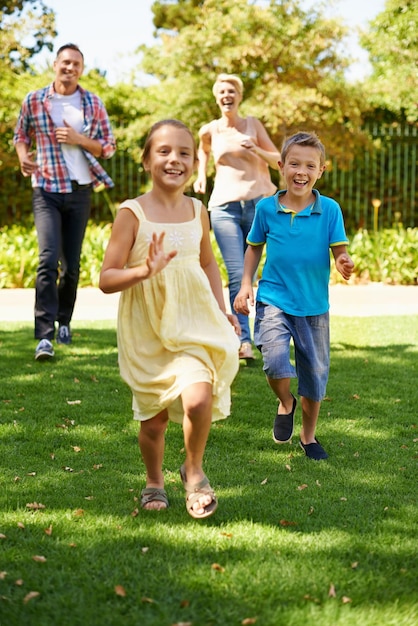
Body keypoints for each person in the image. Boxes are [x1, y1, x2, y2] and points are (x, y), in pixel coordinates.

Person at [99, 119, 240, 518]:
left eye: (184, 152)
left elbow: (209, 264)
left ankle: (193, 470)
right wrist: (143, 271)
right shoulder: (132, 213)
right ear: (146, 161)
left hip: (194, 321)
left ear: (195, 164)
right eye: (163, 151)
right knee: (155, 421)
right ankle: (154, 480)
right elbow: (106, 278)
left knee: (199, 399)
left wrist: (222, 309)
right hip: (148, 328)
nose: (174, 159)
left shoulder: (198, 210)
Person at [234, 131, 354, 460]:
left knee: (314, 377)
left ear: (321, 171)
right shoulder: (266, 209)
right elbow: (253, 249)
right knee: (274, 362)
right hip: (275, 298)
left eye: (309, 166)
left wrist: (343, 261)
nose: (301, 171)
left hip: (314, 306)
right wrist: (246, 284)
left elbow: (339, 251)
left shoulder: (329, 210)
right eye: (294, 164)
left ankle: (309, 436)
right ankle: (286, 402)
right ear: (281, 166)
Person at [14, 43, 116, 361]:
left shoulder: (91, 103)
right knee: (47, 260)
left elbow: (108, 147)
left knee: (71, 266)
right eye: (65, 62)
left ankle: (64, 322)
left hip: (79, 189)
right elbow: (21, 135)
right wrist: (22, 158)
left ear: (81, 70)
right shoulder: (34, 100)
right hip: (44, 186)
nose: (69, 68)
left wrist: (79, 139)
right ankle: (43, 336)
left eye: (76, 64)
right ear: (55, 64)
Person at [193, 73, 280, 361]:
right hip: (224, 207)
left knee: (252, 274)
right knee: (235, 272)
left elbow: (279, 159)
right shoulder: (210, 130)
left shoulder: (253, 125)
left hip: (258, 205)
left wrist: (255, 148)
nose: (227, 95)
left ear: (239, 96)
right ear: (217, 98)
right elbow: (202, 150)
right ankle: (244, 340)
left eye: (232, 90)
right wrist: (201, 176)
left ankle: (265, 332)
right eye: (222, 91)